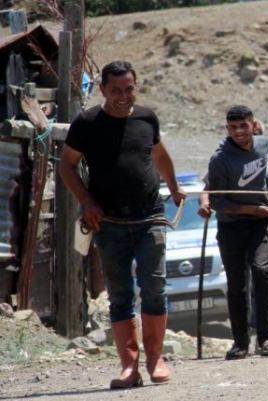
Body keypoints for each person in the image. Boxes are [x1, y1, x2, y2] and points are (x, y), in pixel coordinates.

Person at [59, 60, 185, 388]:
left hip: (150, 217)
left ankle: (156, 360)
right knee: (120, 295)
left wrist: (173, 186)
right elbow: (67, 167)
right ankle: (129, 367)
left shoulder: (146, 117)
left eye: (129, 88)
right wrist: (86, 201)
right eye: (116, 90)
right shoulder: (86, 123)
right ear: (102, 89)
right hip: (109, 221)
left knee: (155, 287)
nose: (123, 96)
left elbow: (159, 156)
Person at [207, 105, 268, 360]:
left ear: (253, 125)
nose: (239, 132)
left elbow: (260, 175)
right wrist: (251, 209)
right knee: (237, 285)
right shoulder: (220, 159)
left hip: (260, 225)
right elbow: (217, 202)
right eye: (233, 128)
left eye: (243, 126)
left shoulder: (263, 145)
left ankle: (265, 339)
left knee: (261, 272)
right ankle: (240, 342)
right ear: (227, 129)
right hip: (231, 226)